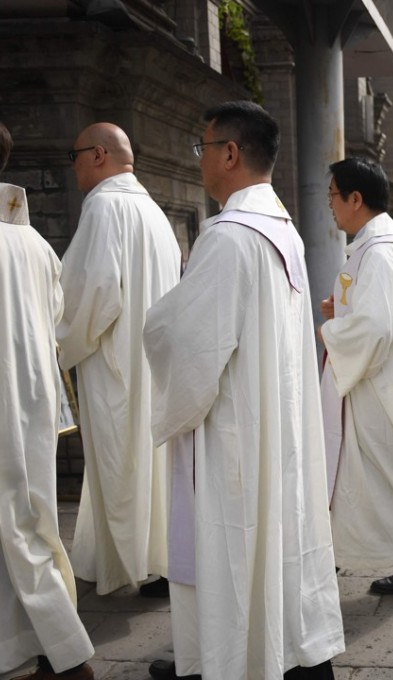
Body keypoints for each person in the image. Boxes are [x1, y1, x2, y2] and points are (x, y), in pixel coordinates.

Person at [142, 101, 345, 680]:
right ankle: (278, 653)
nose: (200, 160)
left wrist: (156, 322)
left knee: (233, 547)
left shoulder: (229, 237)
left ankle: (228, 661)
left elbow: (188, 341)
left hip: (233, 432)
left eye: (202, 148)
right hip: (271, 424)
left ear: (229, 153)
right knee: (274, 544)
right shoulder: (283, 230)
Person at [57, 122, 179, 597]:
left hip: (116, 365)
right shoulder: (152, 211)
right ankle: (157, 562)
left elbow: (91, 294)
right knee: (149, 470)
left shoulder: (104, 207)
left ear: (100, 155)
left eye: (76, 156)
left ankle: (133, 565)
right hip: (153, 366)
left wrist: (55, 343)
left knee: (120, 466)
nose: (74, 168)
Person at [318, 156, 393, 594]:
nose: (329, 204)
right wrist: (344, 312)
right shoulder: (383, 246)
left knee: (385, 478)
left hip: (378, 387)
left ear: (356, 198)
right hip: (386, 381)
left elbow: (373, 327)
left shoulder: (380, 252)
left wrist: (331, 330)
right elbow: (377, 313)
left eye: (333, 195)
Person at [0, 122, 95, 680]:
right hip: (31, 401)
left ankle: (71, 655)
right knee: (27, 520)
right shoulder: (33, 243)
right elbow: (56, 320)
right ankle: (27, 647)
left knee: (17, 527)